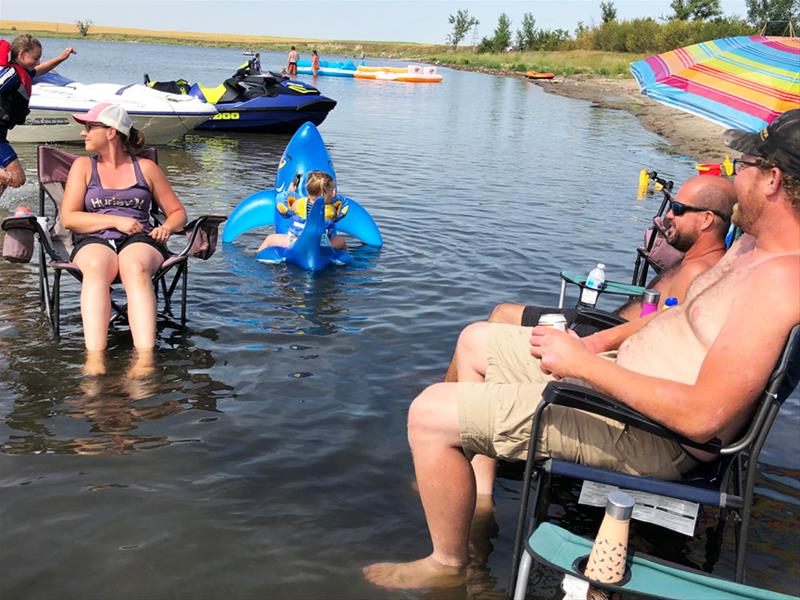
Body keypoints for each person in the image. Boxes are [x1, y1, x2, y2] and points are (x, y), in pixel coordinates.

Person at [363, 108, 800, 590]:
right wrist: (599, 341)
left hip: (648, 433)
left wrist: (582, 366)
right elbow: (674, 314)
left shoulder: (780, 281)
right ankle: (479, 499)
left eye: (744, 165)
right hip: (620, 379)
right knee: (475, 341)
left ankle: (449, 565)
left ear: (773, 179)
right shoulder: (750, 249)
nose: (735, 175)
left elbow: (702, 417)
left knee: (427, 414)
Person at [444, 175, 737, 381]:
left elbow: (658, 331)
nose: (668, 215)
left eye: (678, 209)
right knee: (499, 317)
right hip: (601, 326)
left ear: (707, 220)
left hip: (600, 336)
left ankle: (464, 397)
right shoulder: (692, 259)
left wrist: (594, 344)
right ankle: (477, 385)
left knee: (501, 316)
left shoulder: (698, 271)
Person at [60, 102, 187, 374]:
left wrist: (167, 227)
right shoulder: (82, 167)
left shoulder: (147, 169)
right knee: (96, 266)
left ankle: (144, 359)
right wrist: (114, 220)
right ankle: (95, 360)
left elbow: (177, 212)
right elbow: (69, 218)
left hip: (140, 238)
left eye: (89, 127)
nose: (83, 133)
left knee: (135, 266)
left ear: (110, 132)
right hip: (94, 238)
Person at [0, 34, 76, 198]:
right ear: (21, 55)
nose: (38, 62)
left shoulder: (22, 73)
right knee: (16, 179)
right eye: (35, 58)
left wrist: (62, 57)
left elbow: (40, 70)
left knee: (5, 179)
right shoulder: (11, 74)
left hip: (2, 133)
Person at [258, 170, 346, 252]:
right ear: (327, 194)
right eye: (332, 190)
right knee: (341, 241)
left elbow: (287, 209)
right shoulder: (332, 210)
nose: (334, 192)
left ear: (307, 190)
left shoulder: (298, 203)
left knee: (270, 239)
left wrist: (290, 192)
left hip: (296, 242)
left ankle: (256, 252)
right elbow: (335, 218)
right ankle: (343, 257)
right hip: (322, 245)